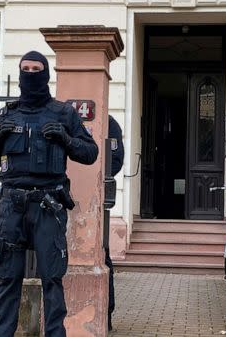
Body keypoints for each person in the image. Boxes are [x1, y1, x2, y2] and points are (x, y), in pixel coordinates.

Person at [0, 51, 98, 337]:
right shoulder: (7, 114)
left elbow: (90, 152)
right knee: (8, 277)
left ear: (45, 74)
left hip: (48, 206)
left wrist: (67, 139)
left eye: (36, 68)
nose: (30, 74)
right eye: (25, 69)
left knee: (52, 278)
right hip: (11, 206)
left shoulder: (63, 113)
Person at [105, 114, 124, 331]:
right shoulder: (65, 114)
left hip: (97, 197)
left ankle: (106, 313)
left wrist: (99, 173)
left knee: (102, 254)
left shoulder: (109, 124)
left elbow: (116, 159)